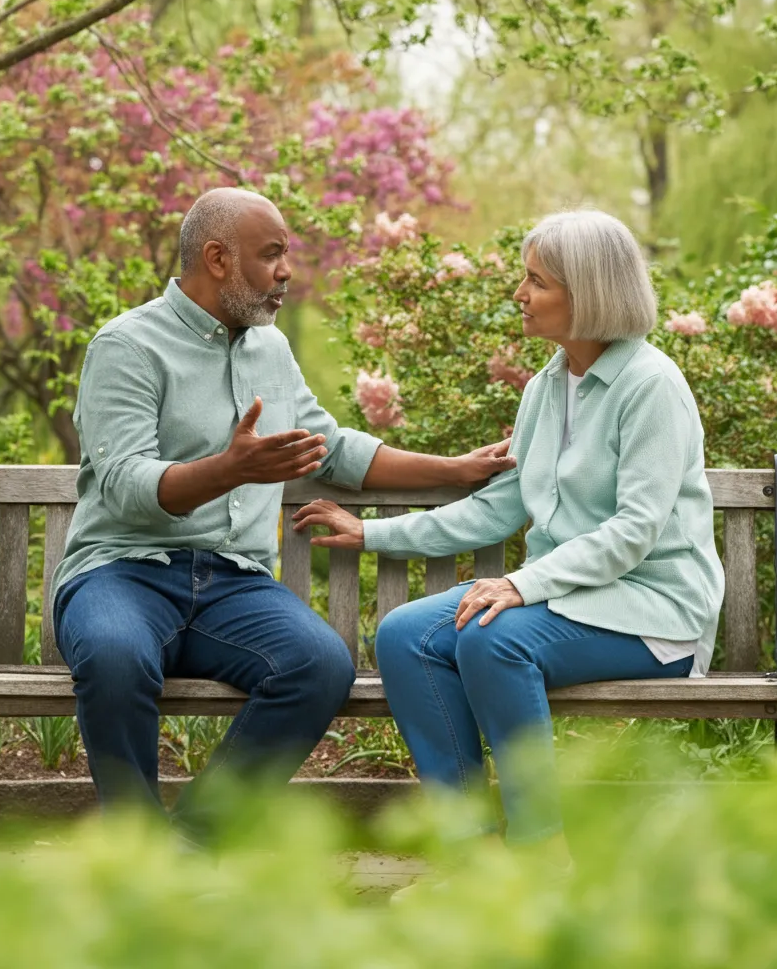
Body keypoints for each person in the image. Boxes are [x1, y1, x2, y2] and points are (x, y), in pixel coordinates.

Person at [50, 187, 515, 834]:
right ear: (217, 258)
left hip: (233, 583)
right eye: (271, 256)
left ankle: (187, 847)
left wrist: (455, 468)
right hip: (122, 572)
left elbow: (334, 449)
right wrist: (230, 469)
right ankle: (132, 846)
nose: (285, 272)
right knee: (113, 656)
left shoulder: (269, 349)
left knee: (318, 665)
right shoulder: (127, 346)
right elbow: (126, 484)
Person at [292, 209, 725, 866]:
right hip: (566, 600)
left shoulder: (651, 387)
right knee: (407, 637)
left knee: (494, 639)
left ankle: (540, 853)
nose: (518, 295)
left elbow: (635, 531)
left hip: (651, 611)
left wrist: (521, 584)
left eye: (536, 281)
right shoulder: (546, 389)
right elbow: (499, 508)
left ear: (589, 293)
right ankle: (471, 856)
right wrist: (372, 531)